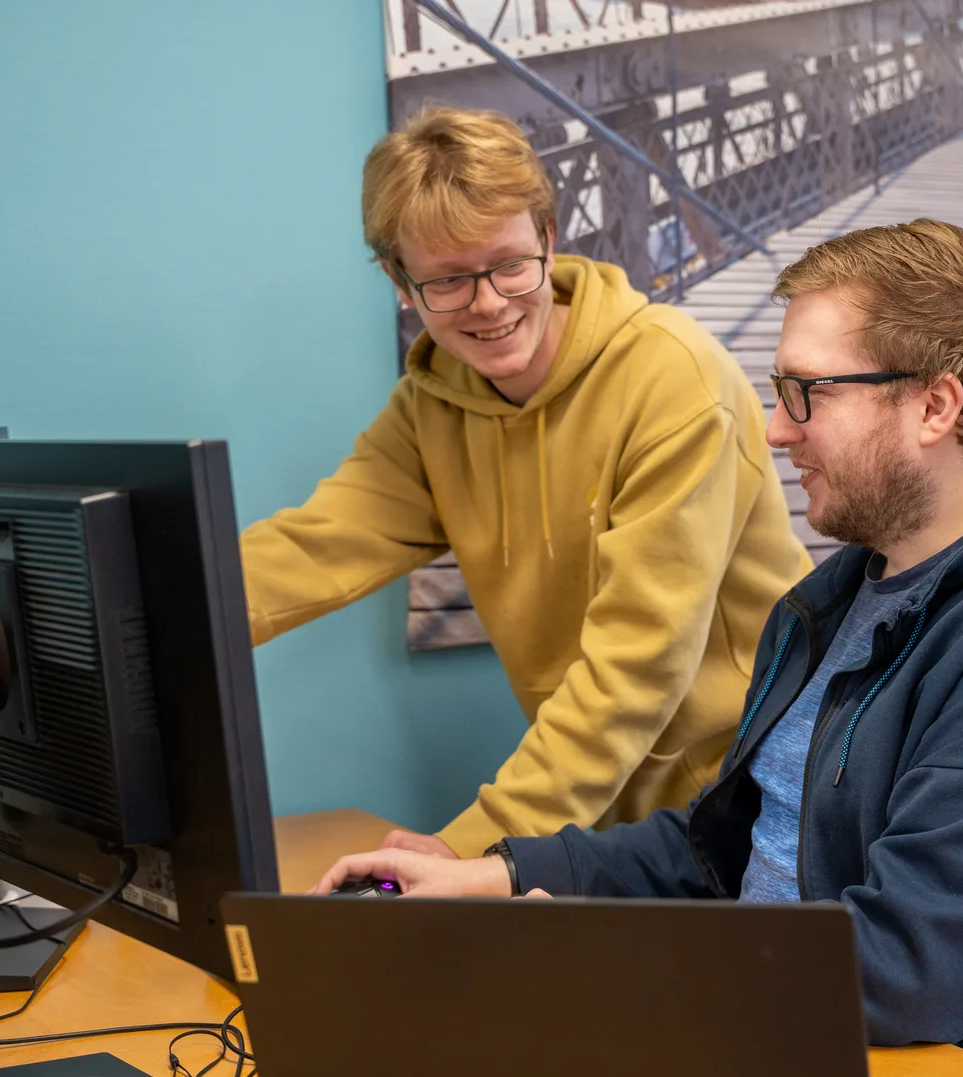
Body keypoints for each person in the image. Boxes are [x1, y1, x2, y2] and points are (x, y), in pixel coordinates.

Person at [311, 219, 963, 1077]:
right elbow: (722, 854)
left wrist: (594, 956)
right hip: (760, 1023)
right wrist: (497, 875)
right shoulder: (838, 600)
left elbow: (912, 966)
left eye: (809, 392)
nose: (776, 428)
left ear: (936, 405)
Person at [240, 105, 810, 859]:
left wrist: (471, 850)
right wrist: (144, 606)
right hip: (611, 815)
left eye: (510, 263)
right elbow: (311, 548)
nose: (488, 303)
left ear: (548, 235)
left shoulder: (673, 379)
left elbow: (634, 671)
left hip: (758, 805)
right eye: (448, 279)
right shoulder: (435, 406)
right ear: (398, 280)